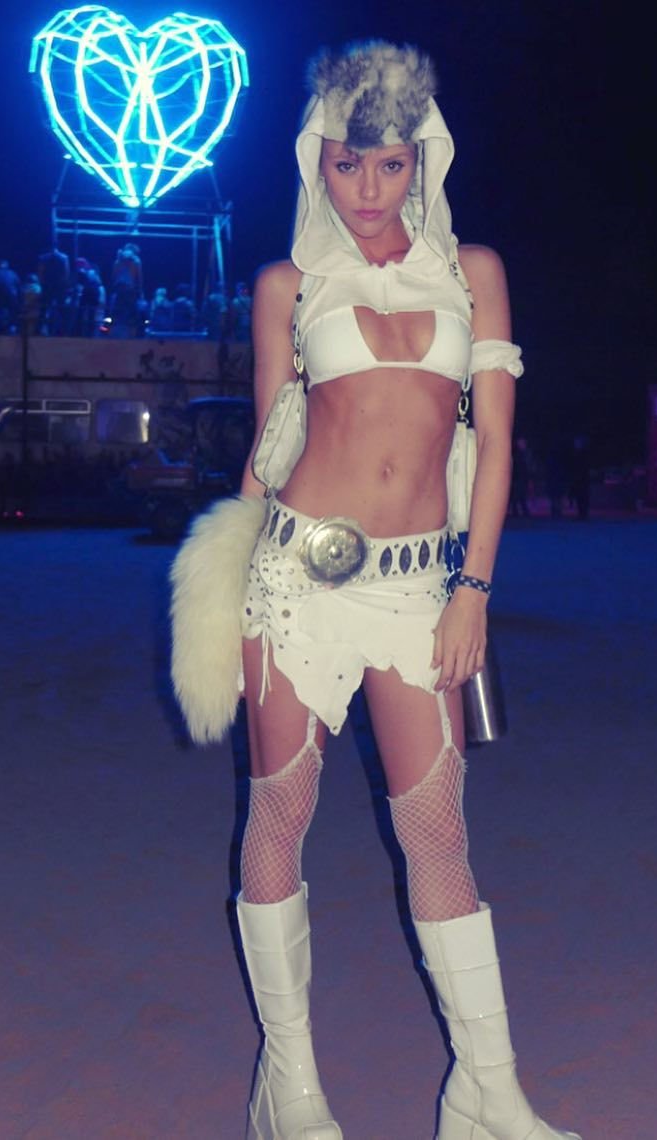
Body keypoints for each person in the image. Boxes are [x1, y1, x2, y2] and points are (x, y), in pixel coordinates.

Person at [170, 41, 580, 1140]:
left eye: (390, 164)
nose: (367, 188)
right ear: (318, 159)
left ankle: (486, 1094)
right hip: (298, 581)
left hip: (419, 589)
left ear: (421, 159)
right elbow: (270, 445)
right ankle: (290, 1090)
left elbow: (495, 447)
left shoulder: (473, 272)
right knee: (280, 814)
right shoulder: (288, 285)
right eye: (347, 165)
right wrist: (225, 579)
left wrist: (473, 588)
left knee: (438, 833)